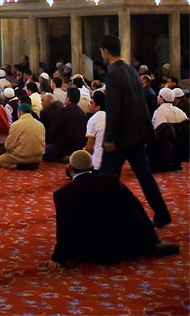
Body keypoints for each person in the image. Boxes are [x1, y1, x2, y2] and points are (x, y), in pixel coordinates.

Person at [45, 150, 179, 270]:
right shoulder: (112, 181)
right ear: (92, 167)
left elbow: (64, 228)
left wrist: (58, 258)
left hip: (90, 251)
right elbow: (137, 207)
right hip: (123, 245)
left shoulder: (62, 194)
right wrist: (153, 240)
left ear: (70, 168)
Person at [99, 33, 171, 229]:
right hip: (137, 134)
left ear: (105, 51)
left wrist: (110, 138)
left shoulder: (113, 74)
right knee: (144, 176)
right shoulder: (131, 70)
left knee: (106, 177)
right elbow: (141, 104)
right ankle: (162, 214)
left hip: (121, 137)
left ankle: (104, 217)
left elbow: (114, 108)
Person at [43, 87, 87, 162]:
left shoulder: (62, 112)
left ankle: (63, 159)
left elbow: (53, 131)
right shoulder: (83, 114)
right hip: (78, 147)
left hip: (63, 147)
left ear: (68, 98)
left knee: (43, 152)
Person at [0, 103, 45, 169]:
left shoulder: (16, 124)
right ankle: (31, 165)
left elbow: (9, 145)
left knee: (0, 160)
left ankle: (19, 166)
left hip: (21, 157)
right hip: (38, 158)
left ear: (20, 113)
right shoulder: (40, 124)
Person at [84, 90, 106, 170]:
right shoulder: (111, 117)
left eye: (91, 103)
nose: (89, 105)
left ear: (98, 107)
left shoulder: (93, 120)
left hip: (96, 163)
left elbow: (89, 148)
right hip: (110, 161)